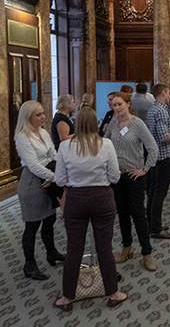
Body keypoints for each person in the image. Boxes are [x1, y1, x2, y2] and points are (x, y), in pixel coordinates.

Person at [53, 107, 127, 310]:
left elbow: (59, 180)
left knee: (73, 249)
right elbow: (115, 177)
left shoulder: (65, 147)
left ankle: (67, 298)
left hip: (75, 199)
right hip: (102, 198)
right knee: (105, 248)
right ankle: (113, 293)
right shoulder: (106, 144)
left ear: (76, 125)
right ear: (96, 123)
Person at [105, 92, 159, 271]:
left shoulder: (137, 124)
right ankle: (126, 248)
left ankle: (147, 252)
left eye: (120, 104)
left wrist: (144, 169)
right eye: (114, 105)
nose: (117, 107)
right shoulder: (113, 123)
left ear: (128, 104)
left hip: (134, 177)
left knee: (138, 215)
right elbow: (105, 144)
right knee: (122, 213)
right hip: (116, 177)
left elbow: (153, 149)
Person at [15, 101, 65, 281]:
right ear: (28, 117)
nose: (43, 117)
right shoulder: (22, 136)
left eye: (43, 113)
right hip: (32, 184)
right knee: (32, 225)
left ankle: (51, 253)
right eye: (38, 115)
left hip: (47, 179)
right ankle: (29, 265)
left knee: (49, 219)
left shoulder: (43, 132)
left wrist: (54, 173)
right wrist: (53, 177)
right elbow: (32, 164)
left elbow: (54, 154)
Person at [145, 84, 170, 239]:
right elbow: (163, 136)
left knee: (153, 192)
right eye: (168, 94)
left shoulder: (154, 109)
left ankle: (153, 223)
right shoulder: (160, 111)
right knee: (159, 193)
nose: (169, 96)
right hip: (164, 157)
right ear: (163, 93)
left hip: (155, 157)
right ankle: (156, 229)